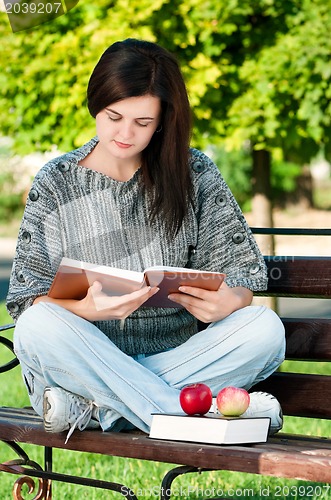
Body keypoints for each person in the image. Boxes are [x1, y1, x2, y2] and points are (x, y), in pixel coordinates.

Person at [7, 38, 285, 442]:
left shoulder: (193, 172)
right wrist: (84, 309)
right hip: (87, 356)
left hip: (175, 357)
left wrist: (233, 300)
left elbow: (242, 270)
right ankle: (181, 412)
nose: (124, 134)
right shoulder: (57, 182)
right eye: (113, 116)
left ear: (162, 121)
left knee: (264, 328)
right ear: (95, 104)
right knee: (35, 326)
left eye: (142, 123)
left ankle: (100, 409)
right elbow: (25, 298)